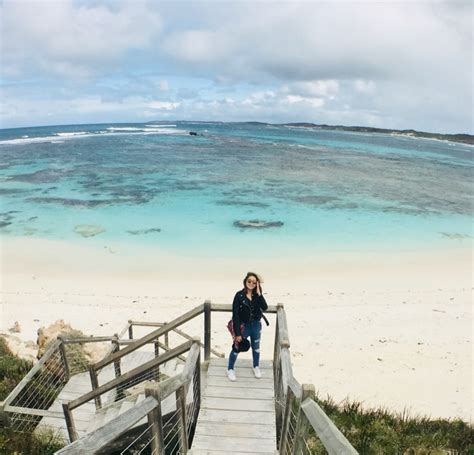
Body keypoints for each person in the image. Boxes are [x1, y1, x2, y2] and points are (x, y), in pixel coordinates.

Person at [227, 272, 268, 381]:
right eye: (249, 281)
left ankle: (256, 366)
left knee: (256, 348)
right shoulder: (239, 295)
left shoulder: (257, 296)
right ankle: (230, 369)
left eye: (254, 282)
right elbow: (235, 315)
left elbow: (265, 307)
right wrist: (238, 333)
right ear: (245, 281)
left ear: (257, 284)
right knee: (236, 347)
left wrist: (259, 293)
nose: (251, 283)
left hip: (256, 326)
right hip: (243, 326)